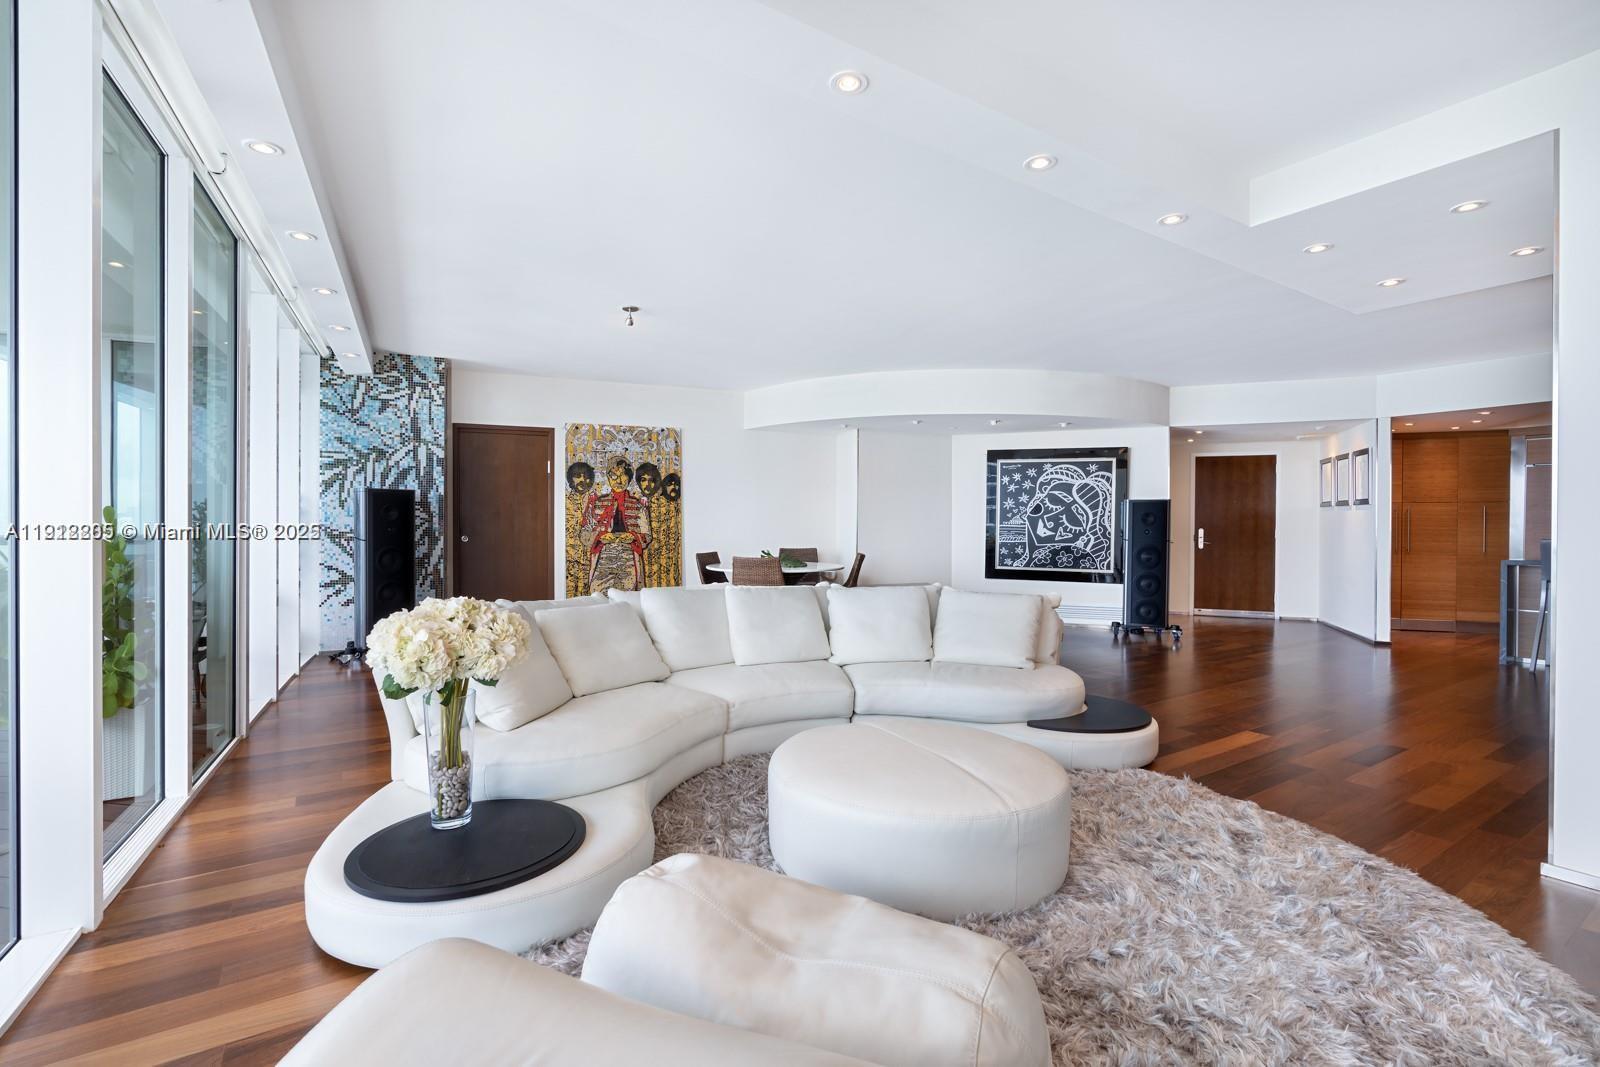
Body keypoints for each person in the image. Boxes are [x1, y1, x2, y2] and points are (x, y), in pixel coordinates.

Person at [580, 457, 650, 592]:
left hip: (629, 557)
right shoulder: (596, 503)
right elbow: (584, 534)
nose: (618, 480)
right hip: (603, 558)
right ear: (608, 477)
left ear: (629, 478)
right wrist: (600, 536)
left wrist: (633, 537)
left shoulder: (638, 505)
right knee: (598, 597)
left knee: (628, 599)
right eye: (614, 475)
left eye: (623, 475)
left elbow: (647, 535)